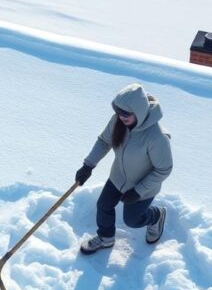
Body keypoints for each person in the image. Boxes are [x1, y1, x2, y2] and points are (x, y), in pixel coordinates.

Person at [74, 83, 173, 254]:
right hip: (118, 177)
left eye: (126, 114)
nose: (121, 117)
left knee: (132, 220)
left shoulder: (157, 137)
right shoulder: (118, 121)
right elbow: (105, 141)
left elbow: (164, 169)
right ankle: (105, 237)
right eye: (118, 112)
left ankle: (156, 216)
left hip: (143, 187)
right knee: (103, 205)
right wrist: (88, 165)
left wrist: (138, 191)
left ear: (139, 111)